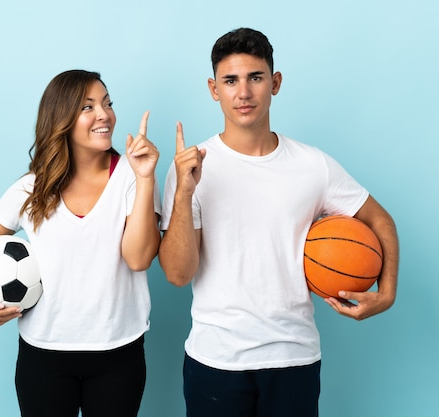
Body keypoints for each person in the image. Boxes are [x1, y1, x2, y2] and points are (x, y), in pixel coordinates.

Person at [159, 28, 399, 417]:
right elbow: (176, 273)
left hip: (294, 358)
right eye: (230, 80)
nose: (244, 93)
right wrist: (185, 194)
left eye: (255, 78)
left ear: (275, 83)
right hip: (216, 359)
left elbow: (380, 220)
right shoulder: (190, 167)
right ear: (213, 88)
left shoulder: (313, 165)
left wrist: (386, 293)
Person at [0, 69, 161, 417]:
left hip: (118, 353)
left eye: (107, 104)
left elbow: (138, 259)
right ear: (61, 118)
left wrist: (146, 177)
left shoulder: (131, 175)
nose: (103, 114)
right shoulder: (32, 187)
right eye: (87, 107)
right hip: (43, 355)